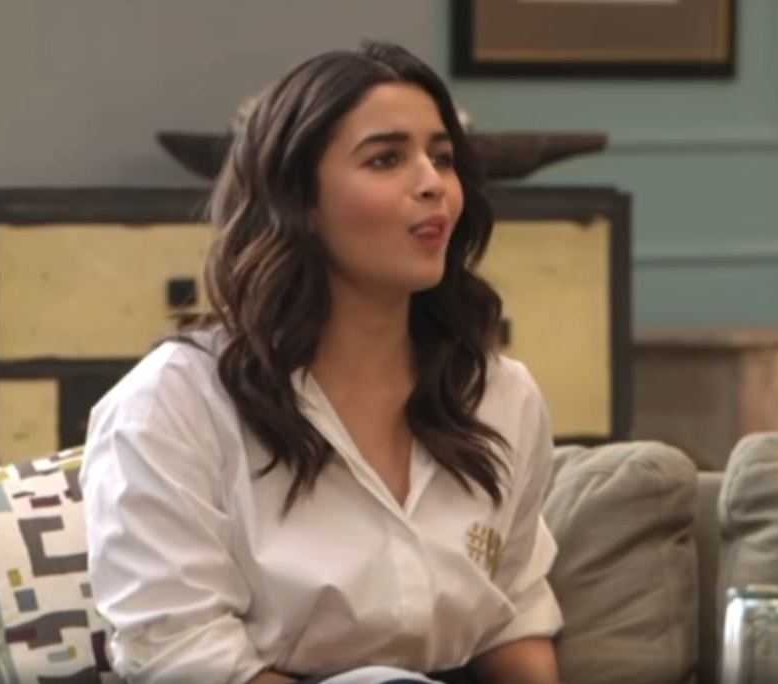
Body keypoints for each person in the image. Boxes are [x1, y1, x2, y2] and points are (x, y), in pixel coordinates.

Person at [80, 40, 564, 684]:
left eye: (443, 158)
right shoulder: (172, 403)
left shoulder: (502, 396)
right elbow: (180, 653)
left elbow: (515, 617)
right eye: (386, 158)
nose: (433, 184)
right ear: (300, 202)